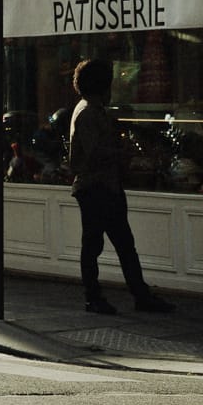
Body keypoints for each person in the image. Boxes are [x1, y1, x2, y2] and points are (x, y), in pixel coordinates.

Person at [67, 58, 175, 315]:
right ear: (101, 85)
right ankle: (97, 297)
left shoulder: (91, 110)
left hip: (104, 186)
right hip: (97, 187)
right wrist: (122, 152)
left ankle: (137, 294)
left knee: (120, 244)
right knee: (101, 245)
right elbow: (95, 153)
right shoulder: (89, 113)